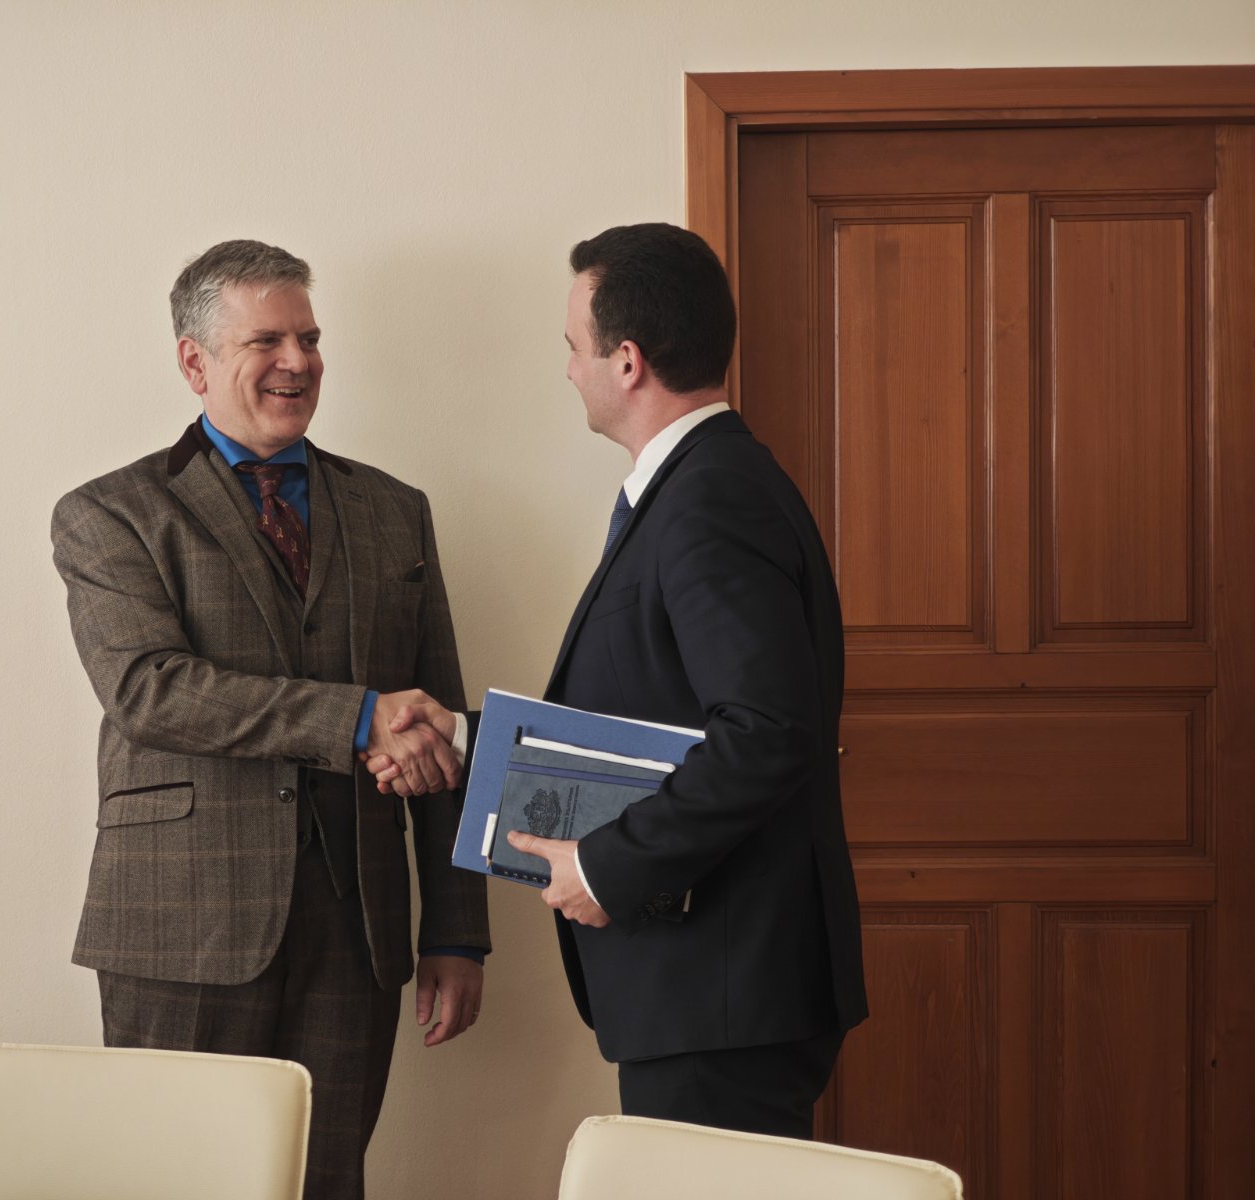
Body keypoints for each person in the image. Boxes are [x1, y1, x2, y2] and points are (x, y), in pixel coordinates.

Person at [375, 222, 866, 1138]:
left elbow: (767, 732)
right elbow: (652, 720)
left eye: (575, 347)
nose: (569, 370)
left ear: (628, 361)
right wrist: (464, 739)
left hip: (723, 988)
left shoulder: (711, 498)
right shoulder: (700, 486)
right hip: (709, 988)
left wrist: (607, 867)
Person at [50, 239, 488, 1200]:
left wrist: (457, 932)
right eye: (268, 340)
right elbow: (149, 688)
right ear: (194, 361)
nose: (299, 361)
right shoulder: (109, 513)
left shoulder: (395, 511)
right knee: (175, 1185)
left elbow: (442, 724)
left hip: (356, 933)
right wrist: (358, 717)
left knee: (326, 1183)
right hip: (181, 927)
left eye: (311, 338)